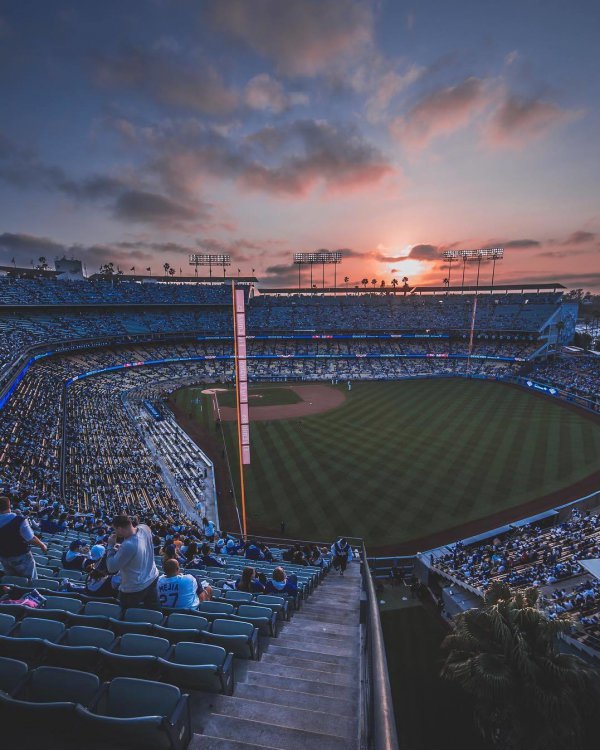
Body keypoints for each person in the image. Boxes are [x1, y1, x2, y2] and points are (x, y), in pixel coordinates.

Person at [106, 514, 160, 609]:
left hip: (135, 587)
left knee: (124, 614)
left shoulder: (128, 545)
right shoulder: (144, 528)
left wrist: (110, 546)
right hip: (152, 577)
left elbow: (111, 568)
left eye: (115, 529)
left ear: (120, 528)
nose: (115, 532)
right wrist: (122, 550)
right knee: (153, 612)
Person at [0, 495, 47, 580]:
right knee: (30, 582)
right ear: (9, 506)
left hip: (4, 558)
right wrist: (42, 545)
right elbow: (30, 539)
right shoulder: (18, 520)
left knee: (13, 582)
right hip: (21, 557)